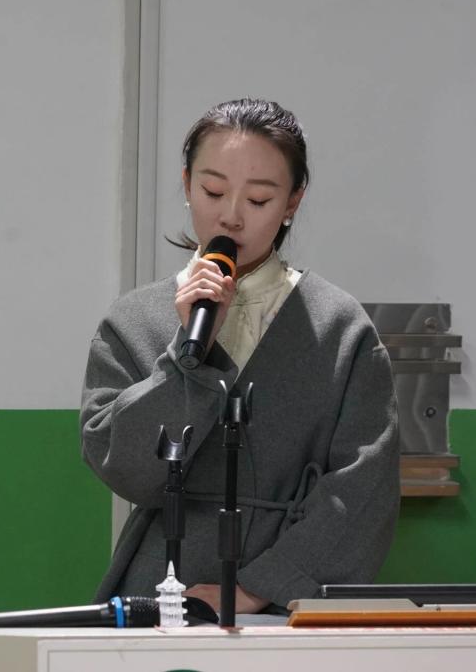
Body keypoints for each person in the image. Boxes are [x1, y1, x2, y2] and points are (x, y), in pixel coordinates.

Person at [80, 98, 399, 614]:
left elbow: (364, 488)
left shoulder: (341, 327)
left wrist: (262, 586)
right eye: (212, 191)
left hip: (292, 599)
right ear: (187, 185)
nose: (230, 216)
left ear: (292, 202)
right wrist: (184, 360)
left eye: (258, 199)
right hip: (163, 589)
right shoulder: (133, 320)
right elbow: (125, 468)